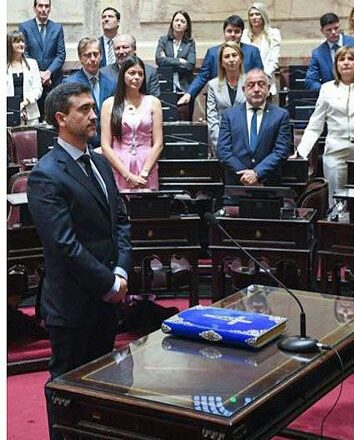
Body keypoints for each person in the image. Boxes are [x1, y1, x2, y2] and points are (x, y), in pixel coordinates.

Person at [26, 81, 131, 440]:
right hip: (72, 306)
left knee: (102, 389)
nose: (92, 115)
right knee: (68, 394)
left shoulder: (101, 163)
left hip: (106, 301)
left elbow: (121, 221)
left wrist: (120, 272)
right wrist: (108, 284)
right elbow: (64, 245)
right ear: (61, 118)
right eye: (83, 110)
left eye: (92, 107)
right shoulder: (45, 174)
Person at [296, 46, 354, 205]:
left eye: (350, 59)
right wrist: (301, 152)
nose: (346, 63)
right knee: (336, 202)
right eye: (341, 59)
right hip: (336, 151)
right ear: (336, 65)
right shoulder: (326, 89)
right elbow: (315, 125)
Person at [217, 69, 292, 187]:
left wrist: (257, 173)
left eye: (261, 84)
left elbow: (281, 151)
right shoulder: (229, 115)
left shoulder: (281, 115)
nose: (256, 89)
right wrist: (246, 176)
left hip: (268, 186)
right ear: (243, 90)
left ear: (268, 89)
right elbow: (223, 152)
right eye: (251, 85)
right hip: (236, 186)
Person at [100, 56, 164, 190]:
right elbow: (105, 145)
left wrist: (144, 173)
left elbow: (158, 143)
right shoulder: (109, 104)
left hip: (147, 164)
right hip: (119, 165)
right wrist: (128, 175)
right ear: (123, 75)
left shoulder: (153, 102)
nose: (137, 77)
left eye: (140, 74)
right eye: (132, 73)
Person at [177, 15, 264, 107]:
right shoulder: (213, 53)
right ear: (224, 32)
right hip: (220, 103)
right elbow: (202, 77)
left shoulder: (252, 52)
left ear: (242, 33)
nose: (233, 34)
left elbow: (260, 77)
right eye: (229, 31)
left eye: (237, 31)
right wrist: (189, 94)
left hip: (247, 101)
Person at [64, 37, 115, 147]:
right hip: (82, 144)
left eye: (96, 54)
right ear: (80, 58)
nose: (92, 59)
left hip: (109, 145)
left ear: (101, 56)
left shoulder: (111, 83)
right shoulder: (70, 84)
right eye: (88, 55)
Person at [19, 0, 65, 120]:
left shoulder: (57, 28)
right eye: (40, 6)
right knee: (34, 120)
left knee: (53, 119)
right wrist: (38, 74)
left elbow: (61, 54)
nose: (44, 9)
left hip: (53, 81)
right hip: (32, 81)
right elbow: (24, 52)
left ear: (50, 8)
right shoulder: (25, 27)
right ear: (35, 8)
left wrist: (48, 72)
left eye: (46, 6)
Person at [304, 13, 354, 91]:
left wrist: (351, 88)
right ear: (322, 31)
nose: (333, 32)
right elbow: (310, 81)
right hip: (331, 97)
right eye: (329, 30)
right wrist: (327, 91)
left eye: (336, 28)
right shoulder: (318, 53)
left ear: (339, 26)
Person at [206, 42, 246, 154]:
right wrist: (221, 145)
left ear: (241, 58)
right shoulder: (213, 85)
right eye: (227, 56)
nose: (231, 59)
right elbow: (212, 119)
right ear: (221, 62)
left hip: (247, 145)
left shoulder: (250, 82)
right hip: (222, 143)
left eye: (234, 55)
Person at [241, 3, 281, 97]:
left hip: (267, 80)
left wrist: (261, 77)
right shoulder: (244, 36)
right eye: (251, 15)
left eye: (257, 14)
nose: (254, 17)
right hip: (246, 82)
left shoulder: (273, 34)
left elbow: (274, 60)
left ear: (263, 16)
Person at [155, 10, 196, 94]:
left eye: (182, 21)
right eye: (176, 20)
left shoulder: (190, 43)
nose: (179, 23)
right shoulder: (164, 40)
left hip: (184, 84)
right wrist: (179, 61)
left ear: (187, 26)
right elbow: (159, 59)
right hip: (166, 81)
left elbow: (190, 65)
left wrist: (167, 60)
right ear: (172, 23)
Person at [7, 30, 43, 126]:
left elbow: (38, 88)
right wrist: (14, 107)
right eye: (17, 41)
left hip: (31, 113)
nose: (21, 44)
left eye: (22, 41)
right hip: (8, 113)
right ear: (9, 44)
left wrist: (25, 102)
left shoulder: (32, 63)